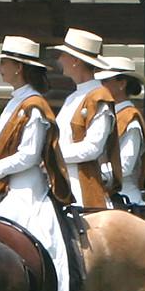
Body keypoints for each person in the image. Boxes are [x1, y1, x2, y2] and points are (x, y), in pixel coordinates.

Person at [0, 37, 71, 291]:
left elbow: (29, 156)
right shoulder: (17, 102)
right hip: (8, 183)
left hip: (26, 190)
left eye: (4, 62)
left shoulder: (34, 105)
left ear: (18, 68)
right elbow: (11, 152)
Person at [52, 28, 114, 208]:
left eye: (63, 55)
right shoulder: (72, 97)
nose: (59, 60)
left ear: (76, 61)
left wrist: (52, 155)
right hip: (63, 181)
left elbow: (93, 147)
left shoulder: (99, 96)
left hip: (83, 187)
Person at [96, 56, 145, 209]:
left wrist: (89, 170)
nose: (101, 86)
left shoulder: (130, 118)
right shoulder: (110, 114)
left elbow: (125, 167)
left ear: (121, 84)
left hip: (124, 200)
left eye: (106, 81)